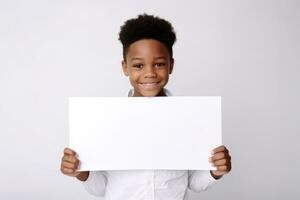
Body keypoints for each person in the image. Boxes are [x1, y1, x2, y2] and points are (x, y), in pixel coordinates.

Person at [60, 13, 232, 200]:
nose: (149, 73)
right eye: (138, 66)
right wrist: (80, 172)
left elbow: (193, 183)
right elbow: (101, 188)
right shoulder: (107, 120)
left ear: (171, 66)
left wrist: (215, 171)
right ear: (125, 67)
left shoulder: (188, 119)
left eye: (158, 64)